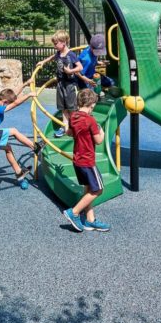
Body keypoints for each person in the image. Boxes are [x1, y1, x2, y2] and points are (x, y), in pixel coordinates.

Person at [0, 85, 46, 189]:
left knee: (7, 148)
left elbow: (13, 98)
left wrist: (24, 85)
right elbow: (16, 103)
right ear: (4, 101)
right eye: (8, 103)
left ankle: (19, 174)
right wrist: (29, 94)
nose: (9, 105)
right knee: (14, 131)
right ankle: (35, 147)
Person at [62, 88, 110, 233]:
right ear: (92, 105)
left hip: (77, 160)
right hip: (87, 161)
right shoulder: (91, 120)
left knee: (88, 189)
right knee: (98, 189)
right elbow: (99, 140)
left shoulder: (74, 116)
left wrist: (66, 124)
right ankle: (74, 212)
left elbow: (69, 133)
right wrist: (102, 130)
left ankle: (90, 221)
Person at [37, 30, 82, 138]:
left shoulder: (71, 54)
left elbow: (80, 67)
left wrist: (70, 71)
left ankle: (75, 127)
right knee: (63, 108)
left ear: (63, 42)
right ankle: (65, 127)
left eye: (56, 43)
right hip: (60, 84)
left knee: (72, 108)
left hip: (70, 85)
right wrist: (43, 62)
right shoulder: (58, 53)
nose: (54, 46)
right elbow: (52, 57)